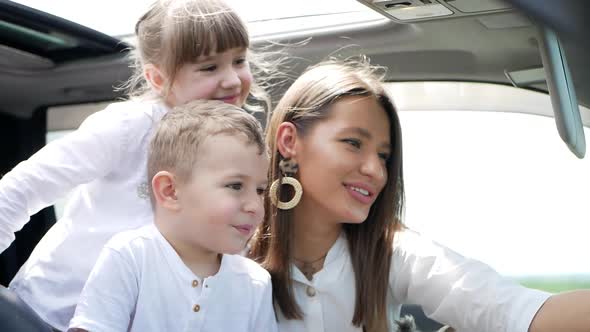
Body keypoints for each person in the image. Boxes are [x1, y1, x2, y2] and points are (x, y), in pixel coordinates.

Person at [249, 58, 590, 332]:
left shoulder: (393, 254)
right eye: (353, 143)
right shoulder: (231, 254)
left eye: (384, 156)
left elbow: (510, 310)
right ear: (289, 142)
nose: (376, 171)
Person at [0, 0, 270, 330]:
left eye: (239, 61)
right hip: (47, 313)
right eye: (209, 67)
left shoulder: (236, 147)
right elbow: (23, 189)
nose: (231, 79)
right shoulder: (130, 126)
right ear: (158, 79)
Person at [68, 100, 277, 332]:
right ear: (170, 191)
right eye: (236, 186)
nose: (256, 206)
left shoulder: (255, 282)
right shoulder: (131, 257)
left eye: (260, 190)